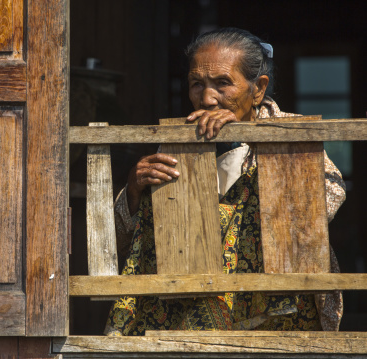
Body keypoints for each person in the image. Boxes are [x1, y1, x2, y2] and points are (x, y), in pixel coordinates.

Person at [104, 28, 346, 336]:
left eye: (222, 83)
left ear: (257, 89)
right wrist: (136, 189)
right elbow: (123, 240)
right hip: (188, 309)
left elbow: (324, 203)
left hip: (273, 314)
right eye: (197, 84)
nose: (207, 98)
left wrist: (253, 138)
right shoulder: (176, 143)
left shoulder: (291, 135)